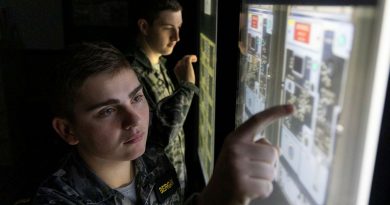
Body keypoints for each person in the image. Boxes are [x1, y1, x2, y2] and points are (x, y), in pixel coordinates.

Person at [33, 42, 293, 205]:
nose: (134, 119)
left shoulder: (154, 159)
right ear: (68, 130)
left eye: (136, 97)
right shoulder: (55, 200)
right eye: (107, 111)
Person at [127, 0, 197, 197]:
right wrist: (187, 88)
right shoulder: (132, 73)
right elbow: (159, 138)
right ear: (144, 27)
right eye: (168, 28)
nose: (177, 37)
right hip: (156, 186)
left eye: (179, 28)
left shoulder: (161, 63)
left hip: (172, 178)